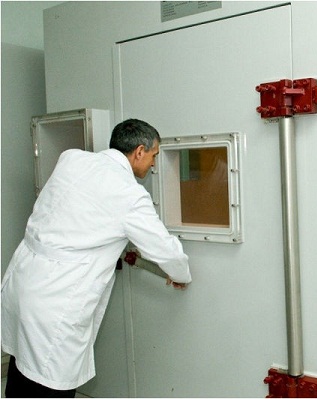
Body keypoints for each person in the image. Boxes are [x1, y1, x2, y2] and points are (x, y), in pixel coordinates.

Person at [1, 119, 192, 397]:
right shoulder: (129, 195)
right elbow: (165, 250)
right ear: (139, 151)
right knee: (48, 383)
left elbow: (80, 219)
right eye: (153, 156)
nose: (153, 165)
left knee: (22, 371)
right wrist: (181, 276)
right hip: (55, 301)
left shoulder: (71, 159)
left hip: (24, 282)